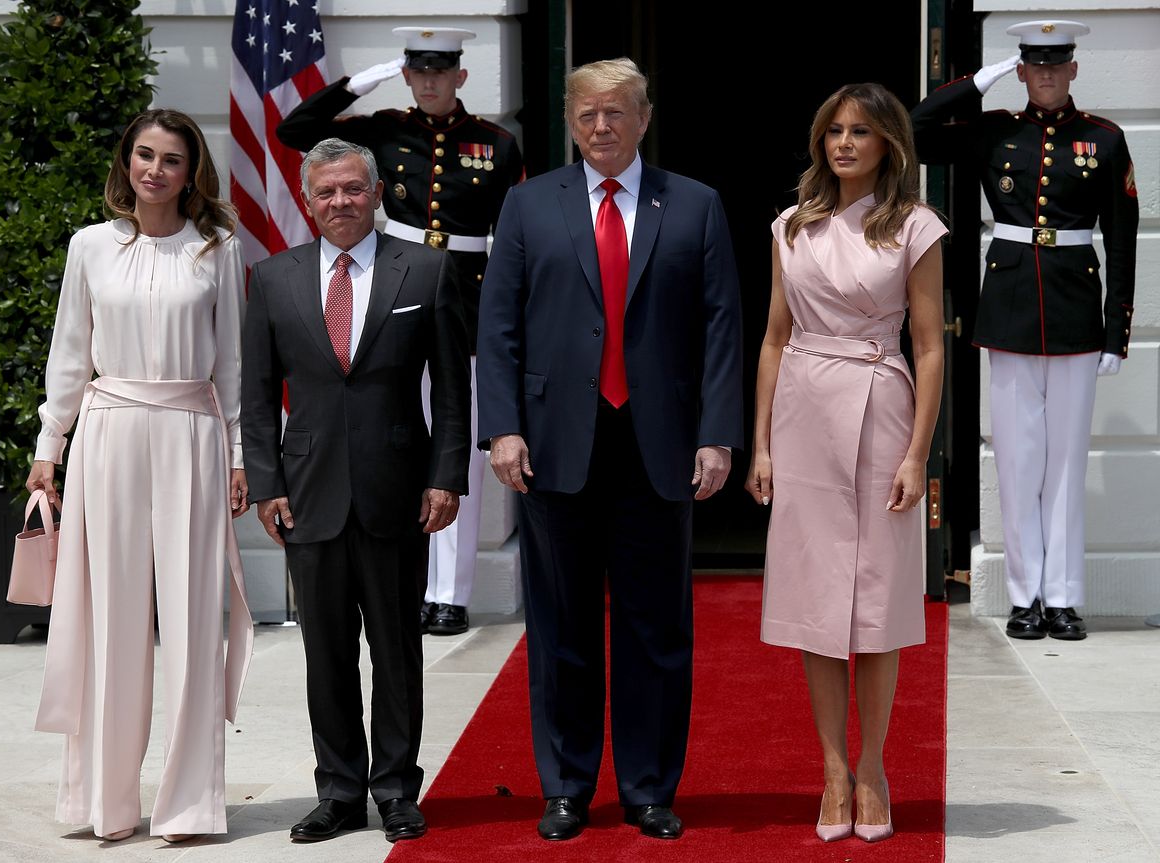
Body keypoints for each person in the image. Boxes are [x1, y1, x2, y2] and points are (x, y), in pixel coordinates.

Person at [478, 57, 743, 842]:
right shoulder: (529, 205)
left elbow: (722, 326)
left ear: (644, 117)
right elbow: (499, 326)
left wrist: (717, 434)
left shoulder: (694, 205)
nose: (602, 127)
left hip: (658, 446)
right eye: (588, 114)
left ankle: (649, 787)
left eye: (617, 113)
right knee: (561, 626)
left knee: (655, 629)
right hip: (555, 447)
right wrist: (503, 427)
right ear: (570, 120)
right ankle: (565, 784)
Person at [25, 108, 254, 843]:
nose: (155, 169)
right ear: (126, 162)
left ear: (192, 174)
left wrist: (239, 452)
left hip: (192, 431)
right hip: (109, 432)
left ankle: (190, 803)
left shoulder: (216, 249)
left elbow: (232, 365)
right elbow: (69, 352)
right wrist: (47, 446)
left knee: (192, 622)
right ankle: (106, 800)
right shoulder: (89, 246)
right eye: (144, 155)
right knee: (108, 620)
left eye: (172, 159)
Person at [240, 138, 469, 844]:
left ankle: (397, 790)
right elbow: (253, 394)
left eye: (352, 189)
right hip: (307, 495)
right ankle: (338, 790)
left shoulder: (426, 270)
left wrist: (446, 475)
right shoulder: (273, 279)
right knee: (327, 654)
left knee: (398, 652)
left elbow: (456, 393)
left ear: (375, 193)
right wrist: (267, 484)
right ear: (307, 202)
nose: (340, 202)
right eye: (325, 193)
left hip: (397, 491)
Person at [746, 82, 947, 844]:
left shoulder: (916, 227)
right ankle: (832, 768)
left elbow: (928, 347)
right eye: (834, 130)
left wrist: (918, 452)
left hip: (881, 404)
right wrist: (761, 441)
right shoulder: (791, 225)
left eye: (860, 131)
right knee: (816, 601)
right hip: (802, 408)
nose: (844, 143)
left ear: (890, 143)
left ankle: (875, 767)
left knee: (877, 603)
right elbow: (771, 336)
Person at [277, 26, 525, 636]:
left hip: (465, 298)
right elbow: (294, 132)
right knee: (400, 438)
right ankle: (410, 579)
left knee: (457, 447)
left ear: (461, 76)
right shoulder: (383, 128)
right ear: (409, 74)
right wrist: (367, 78)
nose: (431, 82)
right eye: (419, 71)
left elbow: (512, 235)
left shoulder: (497, 143)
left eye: (441, 71)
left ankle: (450, 593)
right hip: (397, 290)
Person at [911, 19, 1139, 641]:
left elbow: (1121, 241)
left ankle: (1063, 598)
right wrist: (978, 81)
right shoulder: (994, 131)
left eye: (1054, 65)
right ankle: (1024, 597)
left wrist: (1116, 330)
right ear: (1022, 70)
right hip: (1009, 307)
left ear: (1072, 69)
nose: (1044, 75)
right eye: (1033, 65)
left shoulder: (1105, 139)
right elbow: (915, 130)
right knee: (1017, 460)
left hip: (1074, 310)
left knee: (1065, 462)